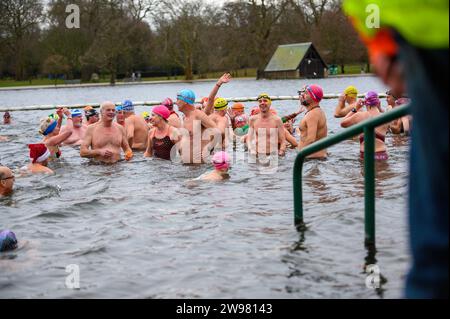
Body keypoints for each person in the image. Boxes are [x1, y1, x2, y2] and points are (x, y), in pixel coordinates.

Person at [343, 0, 448, 298]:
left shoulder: (364, 115)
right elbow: (402, 130)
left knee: (435, 252)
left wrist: (379, 44)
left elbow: (343, 124)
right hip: (385, 154)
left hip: (430, 42)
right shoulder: (392, 116)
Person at [341, 91, 389, 160]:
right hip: (382, 154)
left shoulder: (359, 115)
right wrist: (380, 108)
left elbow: (342, 123)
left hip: (366, 155)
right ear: (378, 102)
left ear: (366, 103)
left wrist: (355, 109)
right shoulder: (386, 117)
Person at [176, 89, 218, 164]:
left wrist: (207, 148)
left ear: (185, 101)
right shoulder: (185, 117)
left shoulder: (198, 115)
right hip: (186, 165)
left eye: (178, 100)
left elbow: (216, 131)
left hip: (199, 167)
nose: (176, 103)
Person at [297, 85, 328, 158]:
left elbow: (311, 139)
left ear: (313, 97)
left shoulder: (313, 114)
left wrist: (299, 156)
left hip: (312, 159)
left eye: (306, 93)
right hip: (314, 157)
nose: (303, 95)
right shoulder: (316, 111)